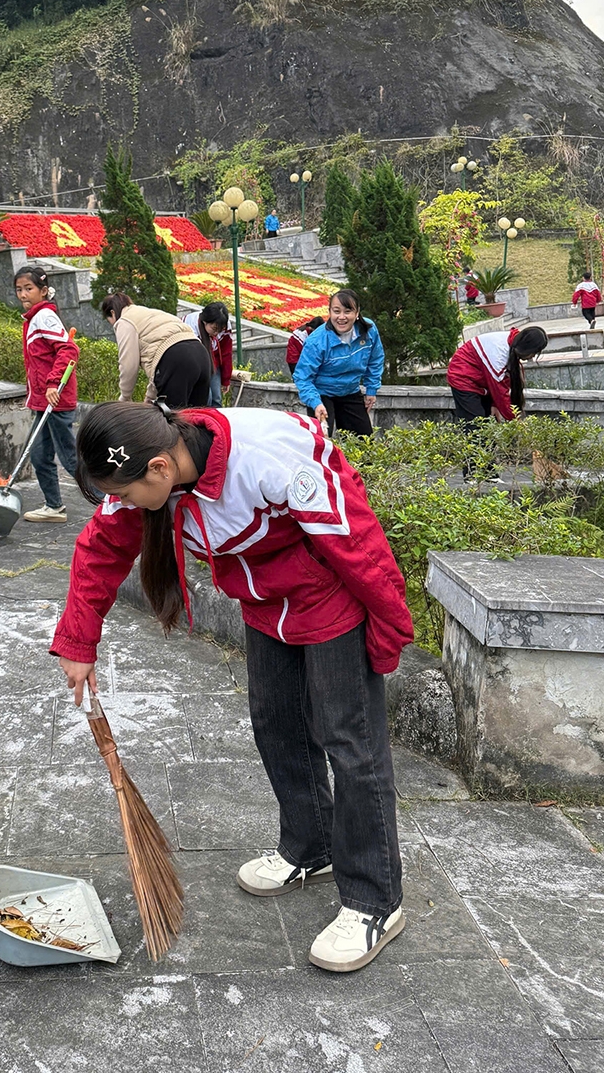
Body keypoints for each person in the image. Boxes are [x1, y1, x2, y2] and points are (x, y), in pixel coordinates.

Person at [52, 401, 412, 973]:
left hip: (329, 593)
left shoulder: (267, 455)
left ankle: (374, 899)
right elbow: (101, 548)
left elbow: (355, 540)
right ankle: (310, 845)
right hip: (264, 602)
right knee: (275, 723)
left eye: (119, 490)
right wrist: (78, 641)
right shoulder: (148, 468)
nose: (116, 504)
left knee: (350, 741)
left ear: (160, 471)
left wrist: (389, 625)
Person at [14, 264, 80, 524]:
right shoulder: (34, 317)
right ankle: (54, 506)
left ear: (43, 291)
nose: (22, 294)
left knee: (70, 458)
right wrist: (34, 393)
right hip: (43, 401)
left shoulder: (44, 316)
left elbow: (68, 351)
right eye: (18, 289)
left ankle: (109, 501)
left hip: (57, 400)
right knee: (40, 455)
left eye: (28, 288)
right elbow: (39, 362)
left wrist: (53, 384)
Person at [292, 289, 384, 437]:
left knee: (364, 440)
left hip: (350, 391)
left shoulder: (369, 330)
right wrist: (315, 403)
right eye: (336, 311)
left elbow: (375, 359)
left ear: (357, 312)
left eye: (348, 311)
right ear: (329, 312)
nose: (341, 317)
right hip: (322, 393)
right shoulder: (317, 341)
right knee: (322, 441)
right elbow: (302, 377)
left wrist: (371, 389)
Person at [101, 292, 211, 409]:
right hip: (201, 355)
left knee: (173, 421)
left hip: (178, 359)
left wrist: (125, 398)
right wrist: (150, 397)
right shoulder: (150, 313)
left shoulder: (125, 321)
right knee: (197, 418)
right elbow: (158, 359)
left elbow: (128, 364)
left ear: (112, 313)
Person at [447, 325, 549, 428]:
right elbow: (500, 392)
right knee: (476, 426)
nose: (533, 356)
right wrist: (516, 421)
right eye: (534, 352)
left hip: (481, 379)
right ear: (527, 347)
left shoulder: (512, 344)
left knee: (489, 423)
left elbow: (503, 382)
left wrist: (494, 405)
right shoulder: (499, 353)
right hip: (462, 377)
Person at [182, 301, 233, 407]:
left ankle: (216, 422)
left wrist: (226, 379)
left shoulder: (224, 325)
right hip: (196, 366)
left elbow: (226, 352)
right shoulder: (189, 324)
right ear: (205, 322)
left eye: (219, 330)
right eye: (214, 329)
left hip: (214, 364)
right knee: (206, 398)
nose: (216, 333)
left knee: (216, 398)